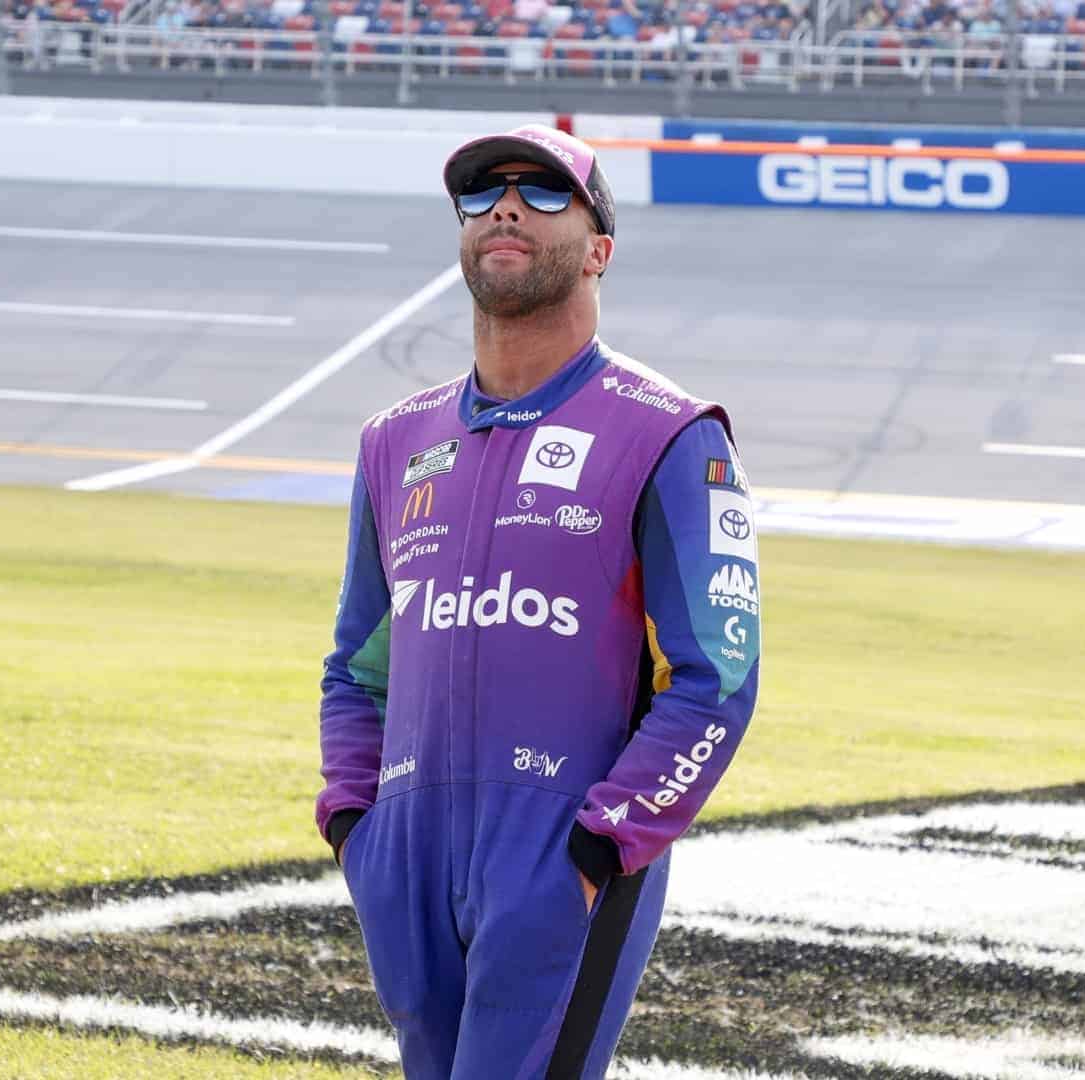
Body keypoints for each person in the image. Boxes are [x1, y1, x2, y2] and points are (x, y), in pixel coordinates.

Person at [314, 124, 761, 1079]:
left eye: (545, 192)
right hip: (405, 858)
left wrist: (601, 847)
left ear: (600, 249)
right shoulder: (394, 441)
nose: (507, 208)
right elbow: (356, 666)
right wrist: (356, 825)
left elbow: (715, 677)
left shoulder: (671, 434)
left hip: (559, 855)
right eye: (483, 194)